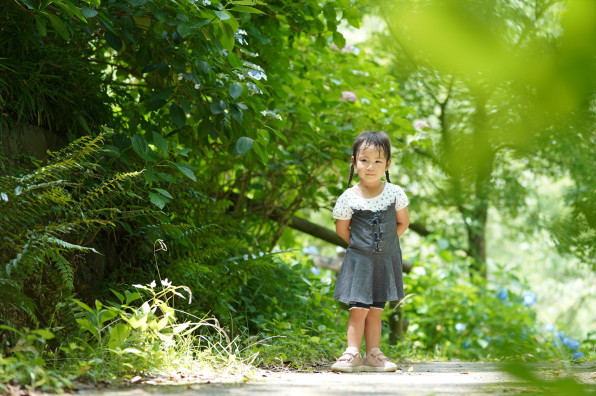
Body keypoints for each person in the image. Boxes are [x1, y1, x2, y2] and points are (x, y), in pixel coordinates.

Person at [330, 131, 409, 373]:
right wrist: (362, 246)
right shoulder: (349, 197)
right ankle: (351, 353)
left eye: (378, 161)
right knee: (357, 310)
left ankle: (373, 354)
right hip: (359, 261)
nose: (371, 166)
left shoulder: (394, 193)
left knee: (376, 310)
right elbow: (343, 230)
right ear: (353, 161)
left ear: (388, 164)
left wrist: (384, 246)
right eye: (364, 160)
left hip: (385, 261)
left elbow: (402, 223)